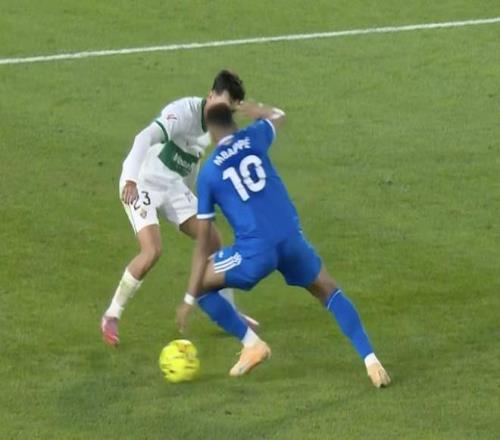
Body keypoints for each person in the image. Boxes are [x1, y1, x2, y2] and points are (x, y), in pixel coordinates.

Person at [175, 101, 391, 388]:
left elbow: (204, 241)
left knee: (202, 285)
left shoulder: (210, 173)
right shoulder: (254, 136)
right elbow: (279, 116)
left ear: (212, 132)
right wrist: (256, 109)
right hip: (291, 240)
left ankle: (252, 344)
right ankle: (372, 361)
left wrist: (188, 298)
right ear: (234, 121)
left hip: (255, 252)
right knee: (330, 291)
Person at [101, 70, 258, 346]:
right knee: (152, 251)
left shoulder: (214, 128)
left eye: (230, 109)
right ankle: (112, 315)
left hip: (172, 186)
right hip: (142, 181)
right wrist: (130, 178)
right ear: (210, 95)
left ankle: (228, 312)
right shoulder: (183, 112)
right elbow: (143, 137)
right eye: (222, 103)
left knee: (213, 239)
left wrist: (189, 197)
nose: (224, 112)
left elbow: (191, 164)